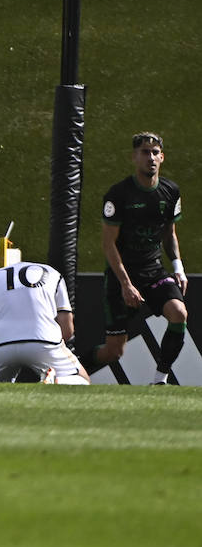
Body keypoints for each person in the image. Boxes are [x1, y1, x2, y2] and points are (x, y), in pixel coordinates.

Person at [92, 131, 188, 385]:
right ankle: (74, 368)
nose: (151, 158)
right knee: (113, 351)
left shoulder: (171, 192)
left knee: (179, 313)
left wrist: (178, 267)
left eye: (155, 152)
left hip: (153, 271)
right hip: (121, 275)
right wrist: (126, 285)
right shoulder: (118, 195)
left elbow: (170, 234)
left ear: (162, 157)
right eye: (145, 152)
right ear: (134, 157)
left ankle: (159, 380)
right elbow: (108, 244)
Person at [0, 260, 90, 384]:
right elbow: (68, 329)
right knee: (83, 379)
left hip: (1, 344)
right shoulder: (53, 274)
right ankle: (55, 380)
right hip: (43, 341)